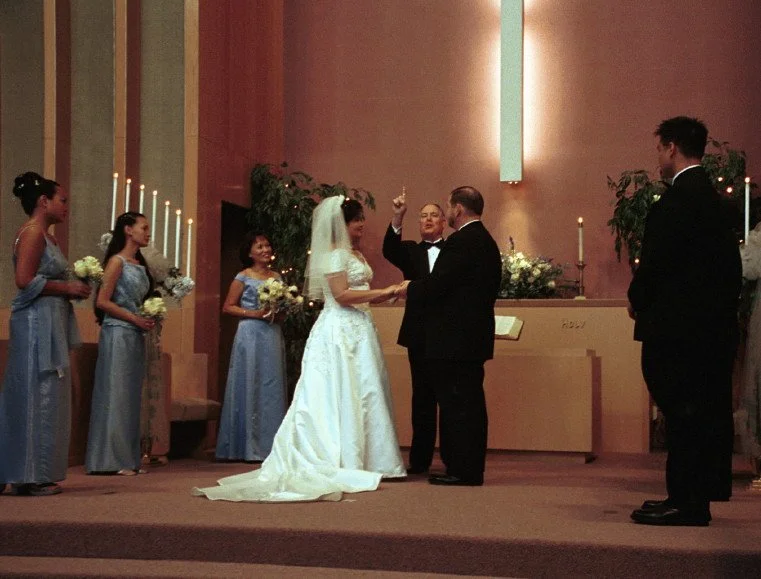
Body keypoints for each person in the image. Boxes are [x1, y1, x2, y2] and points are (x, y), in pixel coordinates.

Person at [193, 195, 405, 502]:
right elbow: (342, 295)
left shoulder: (354, 254)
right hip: (338, 330)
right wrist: (386, 291)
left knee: (366, 389)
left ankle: (372, 457)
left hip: (360, 328)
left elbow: (357, 291)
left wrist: (382, 296)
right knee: (338, 391)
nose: (362, 224)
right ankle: (338, 455)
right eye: (357, 219)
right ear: (341, 224)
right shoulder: (334, 256)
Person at [628, 117, 741, 526]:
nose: (658, 158)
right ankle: (689, 495)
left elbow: (655, 265)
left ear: (672, 147)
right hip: (711, 330)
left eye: (659, 149)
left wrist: (636, 299)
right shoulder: (714, 201)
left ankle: (688, 503)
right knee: (700, 413)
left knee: (683, 415)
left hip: (679, 334)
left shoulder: (674, 203)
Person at [397, 186, 502, 486]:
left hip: (455, 342)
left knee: (458, 407)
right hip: (474, 338)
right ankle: (467, 467)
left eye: (447, 207)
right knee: (470, 404)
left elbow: (438, 284)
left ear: (457, 209)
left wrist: (406, 288)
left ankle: (462, 470)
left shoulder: (460, 242)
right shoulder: (487, 242)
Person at [0, 172, 90, 496]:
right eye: (62, 200)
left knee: (47, 394)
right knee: (35, 392)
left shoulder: (50, 237)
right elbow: (24, 279)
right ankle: (28, 474)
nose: (67, 206)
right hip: (35, 322)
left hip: (49, 320)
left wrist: (74, 288)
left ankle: (31, 471)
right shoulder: (34, 232)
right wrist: (67, 286)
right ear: (44, 201)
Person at [382, 192, 448, 474]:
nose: (428, 219)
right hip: (419, 333)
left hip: (448, 333)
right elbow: (389, 249)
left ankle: (451, 459)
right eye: (423, 215)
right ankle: (419, 461)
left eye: (434, 214)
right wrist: (398, 215)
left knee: (448, 398)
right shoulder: (410, 250)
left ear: (444, 222)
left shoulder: (456, 250)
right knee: (421, 398)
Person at [86, 212, 155, 476]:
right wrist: (134, 318)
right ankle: (109, 459)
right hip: (117, 332)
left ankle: (126, 458)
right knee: (115, 392)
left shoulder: (138, 263)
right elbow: (102, 301)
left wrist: (148, 315)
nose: (148, 233)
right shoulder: (116, 262)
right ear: (128, 230)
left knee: (129, 395)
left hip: (134, 333)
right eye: (144, 228)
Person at [215, 231, 287, 462]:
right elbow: (228, 307)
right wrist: (253, 313)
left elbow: (283, 307)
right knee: (249, 382)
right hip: (250, 333)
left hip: (272, 332)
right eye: (259, 247)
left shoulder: (277, 277)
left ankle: (270, 445)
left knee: (271, 384)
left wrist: (281, 311)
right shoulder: (242, 276)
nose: (265, 250)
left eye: (267, 245)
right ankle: (244, 446)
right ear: (249, 253)